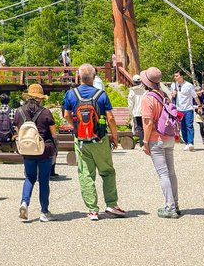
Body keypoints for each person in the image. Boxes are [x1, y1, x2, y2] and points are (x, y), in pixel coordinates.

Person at [62, 63, 126, 220]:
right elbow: (110, 117)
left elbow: (66, 115)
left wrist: (76, 128)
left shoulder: (71, 94)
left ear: (79, 77)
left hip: (81, 141)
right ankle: (111, 204)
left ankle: (92, 210)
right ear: (94, 77)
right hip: (99, 139)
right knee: (107, 171)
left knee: (86, 174)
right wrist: (115, 136)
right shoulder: (101, 95)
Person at [139, 67, 181, 217]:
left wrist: (145, 142)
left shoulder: (148, 98)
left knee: (163, 174)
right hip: (169, 137)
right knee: (171, 172)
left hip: (156, 139)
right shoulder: (165, 95)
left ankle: (169, 207)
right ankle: (175, 204)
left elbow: (148, 123)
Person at [14, 84, 57, 222]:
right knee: (43, 181)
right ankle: (44, 212)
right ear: (40, 98)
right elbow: (53, 133)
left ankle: (24, 203)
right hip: (44, 150)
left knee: (29, 178)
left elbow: (17, 130)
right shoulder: (46, 112)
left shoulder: (19, 111)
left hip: (27, 150)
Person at [173, 69, 199, 150]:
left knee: (189, 126)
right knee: (182, 127)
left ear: (181, 76)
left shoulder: (189, 85)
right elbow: (173, 97)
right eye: (174, 76)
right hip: (179, 109)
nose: (175, 77)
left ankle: (191, 142)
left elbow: (195, 96)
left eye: (177, 76)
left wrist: (200, 105)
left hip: (188, 109)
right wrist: (173, 94)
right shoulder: (174, 85)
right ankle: (186, 142)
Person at [127, 74, 146, 148]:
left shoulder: (132, 90)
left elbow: (130, 102)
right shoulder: (145, 89)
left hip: (137, 111)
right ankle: (148, 142)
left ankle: (142, 144)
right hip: (146, 110)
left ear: (133, 82)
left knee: (140, 128)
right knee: (147, 127)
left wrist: (130, 112)